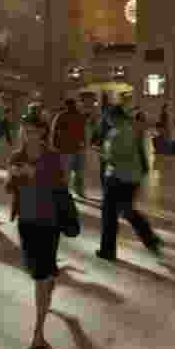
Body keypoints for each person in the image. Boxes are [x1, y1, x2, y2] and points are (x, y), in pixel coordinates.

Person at [5, 112, 66, 349]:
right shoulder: (16, 156)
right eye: (25, 131)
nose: (29, 135)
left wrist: (35, 175)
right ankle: (51, 275)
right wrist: (15, 177)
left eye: (33, 131)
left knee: (39, 277)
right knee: (39, 271)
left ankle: (38, 332)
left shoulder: (52, 157)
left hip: (49, 221)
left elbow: (61, 185)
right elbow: (9, 187)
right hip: (26, 221)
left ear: (42, 132)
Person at [97, 107, 162, 261]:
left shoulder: (116, 133)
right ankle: (151, 239)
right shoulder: (131, 129)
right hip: (133, 178)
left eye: (107, 117)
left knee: (109, 215)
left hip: (117, 178)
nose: (106, 121)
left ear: (113, 117)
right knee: (127, 210)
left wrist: (102, 153)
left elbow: (114, 157)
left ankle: (107, 251)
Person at [51, 99, 88, 199]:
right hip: (67, 148)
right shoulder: (62, 116)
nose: (72, 106)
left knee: (75, 172)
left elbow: (84, 130)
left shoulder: (77, 116)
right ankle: (68, 192)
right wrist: (55, 145)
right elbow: (55, 131)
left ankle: (77, 191)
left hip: (74, 148)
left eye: (73, 105)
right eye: (70, 105)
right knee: (70, 172)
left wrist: (84, 143)